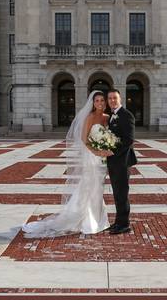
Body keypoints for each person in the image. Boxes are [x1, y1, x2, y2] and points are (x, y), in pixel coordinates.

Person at [21, 90, 111, 237]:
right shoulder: (90, 117)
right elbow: (84, 139)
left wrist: (106, 147)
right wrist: (97, 152)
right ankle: (87, 220)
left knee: (98, 187)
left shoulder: (107, 118)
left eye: (102, 100)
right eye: (97, 101)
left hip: (103, 158)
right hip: (92, 157)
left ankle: (98, 218)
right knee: (89, 186)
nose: (100, 103)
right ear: (93, 103)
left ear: (105, 102)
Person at [100, 88, 137, 234]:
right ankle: (118, 222)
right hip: (113, 161)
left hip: (122, 161)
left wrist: (112, 151)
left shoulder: (127, 115)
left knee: (122, 193)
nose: (112, 101)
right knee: (116, 193)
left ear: (120, 99)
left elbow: (129, 140)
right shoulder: (111, 116)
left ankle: (124, 224)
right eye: (109, 99)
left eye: (114, 98)